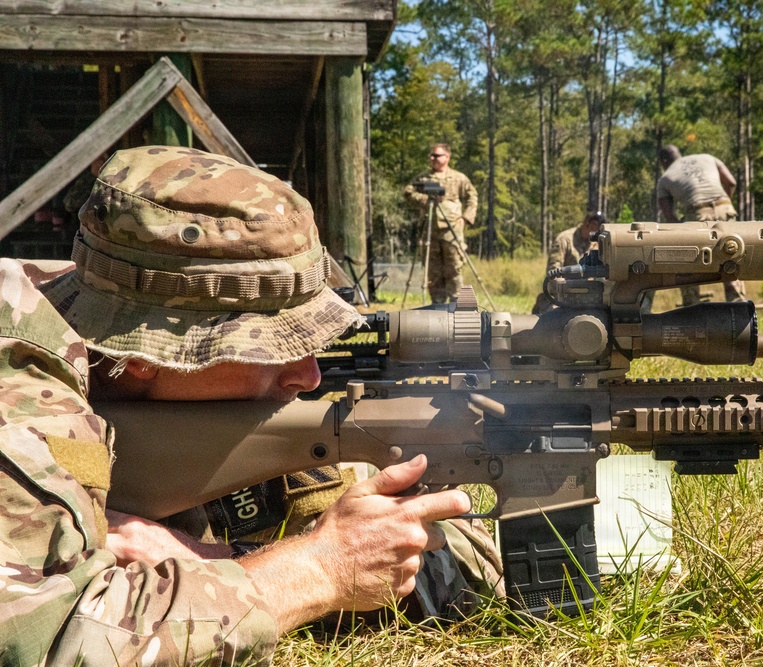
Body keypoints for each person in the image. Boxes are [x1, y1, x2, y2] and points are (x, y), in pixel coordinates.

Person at [0, 146, 501, 666]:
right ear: (145, 350)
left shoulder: (200, 384)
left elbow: (455, 563)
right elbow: (48, 639)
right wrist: (316, 570)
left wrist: (214, 563)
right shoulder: (18, 379)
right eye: (269, 345)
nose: (308, 374)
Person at [656, 145, 746, 306]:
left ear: (663, 162)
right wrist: (724, 203)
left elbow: (670, 217)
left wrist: (683, 229)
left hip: (697, 214)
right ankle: (738, 304)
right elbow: (731, 182)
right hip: (726, 207)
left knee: (690, 260)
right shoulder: (708, 158)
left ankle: (692, 306)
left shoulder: (665, 179)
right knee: (731, 255)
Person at [403, 144, 478, 304]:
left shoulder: (459, 178)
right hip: (429, 230)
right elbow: (408, 192)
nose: (432, 159)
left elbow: (473, 197)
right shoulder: (423, 178)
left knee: (454, 269)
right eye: (431, 155)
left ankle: (457, 305)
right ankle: (437, 307)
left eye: (437, 155)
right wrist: (425, 199)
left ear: (447, 157)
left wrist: (466, 218)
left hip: (452, 231)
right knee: (433, 272)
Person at [532, 211, 605, 315]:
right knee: (556, 318)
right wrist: (566, 291)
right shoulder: (564, 239)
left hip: (587, 300)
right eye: (596, 227)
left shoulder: (596, 244)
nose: (597, 232)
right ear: (587, 223)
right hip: (559, 297)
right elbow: (553, 270)